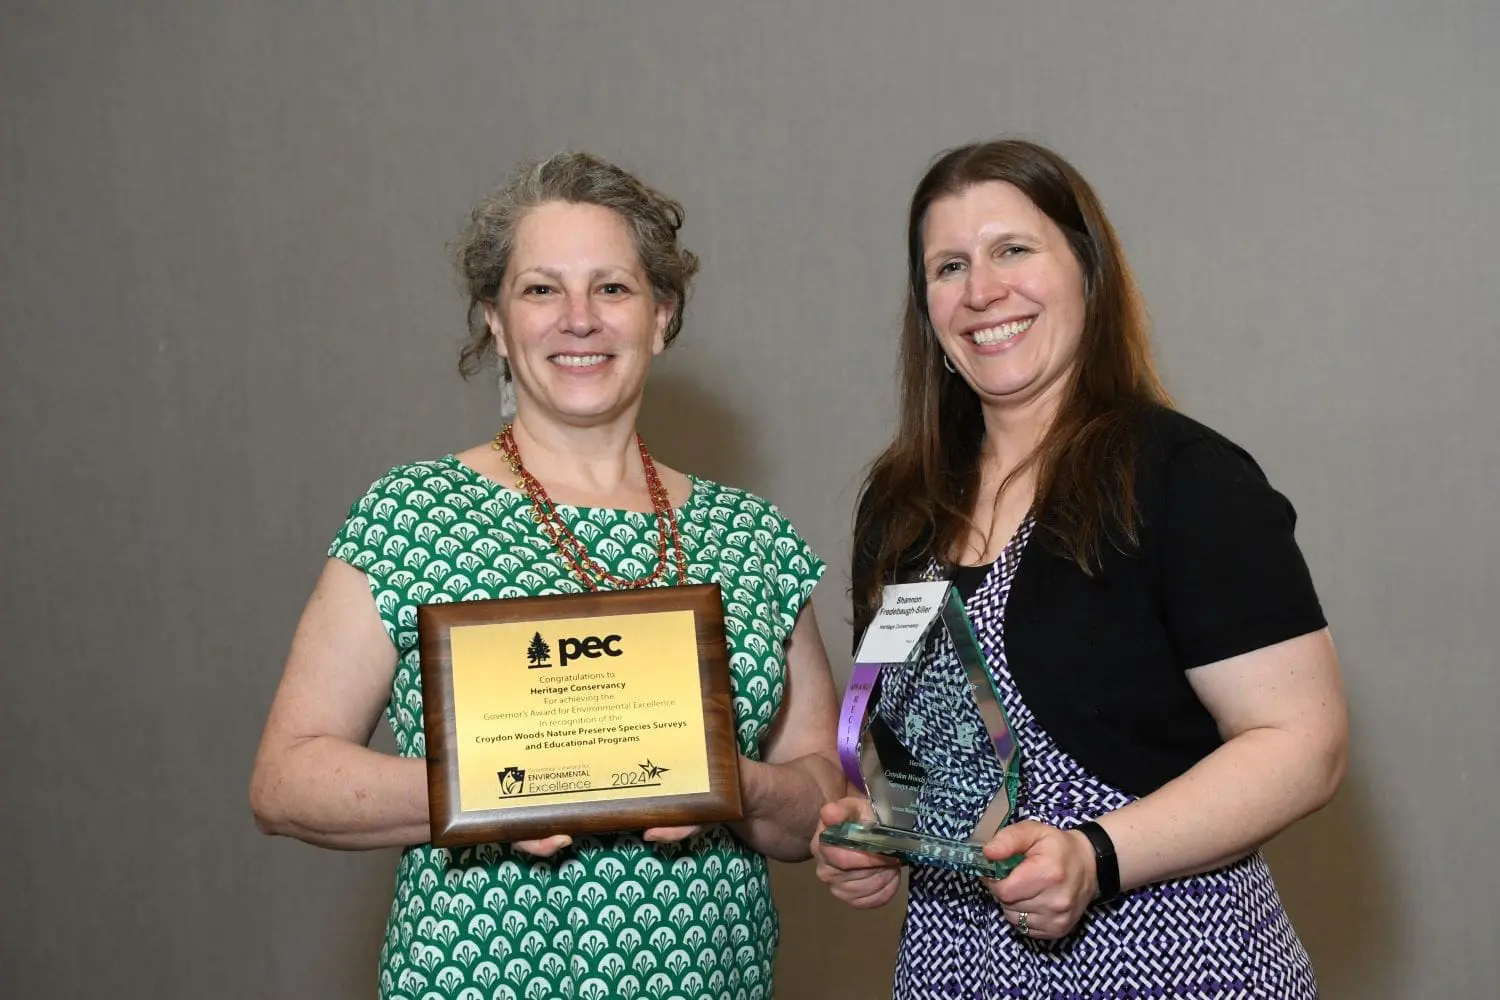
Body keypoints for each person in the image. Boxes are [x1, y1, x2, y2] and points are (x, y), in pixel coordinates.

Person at [251, 151, 844, 1000]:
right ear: (496, 321)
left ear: (661, 316)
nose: (579, 319)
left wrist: (737, 785)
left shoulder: (752, 537)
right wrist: (494, 790)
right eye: (540, 290)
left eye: (612, 288)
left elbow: (819, 794)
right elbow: (285, 781)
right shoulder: (412, 514)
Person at [811, 139, 1348, 999]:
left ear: (1088, 273)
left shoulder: (1180, 477)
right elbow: (926, 753)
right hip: (953, 970)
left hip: (1170, 961)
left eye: (1012, 249)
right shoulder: (900, 506)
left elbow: (1303, 744)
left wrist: (1097, 856)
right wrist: (876, 827)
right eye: (950, 267)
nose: (982, 291)